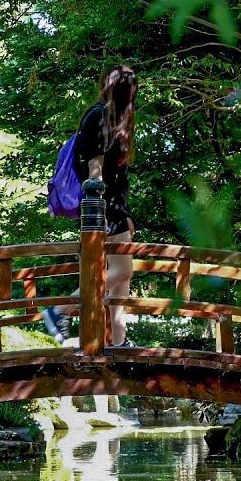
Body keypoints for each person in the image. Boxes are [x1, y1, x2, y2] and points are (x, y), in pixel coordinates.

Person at [42, 65, 139, 347]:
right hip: (102, 208)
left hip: (115, 208)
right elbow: (94, 171)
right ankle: (60, 309)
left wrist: (125, 213)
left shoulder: (120, 119)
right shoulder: (98, 116)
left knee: (122, 278)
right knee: (122, 270)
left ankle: (118, 342)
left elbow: (118, 176)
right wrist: (101, 212)